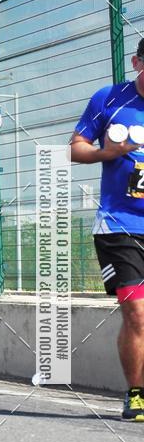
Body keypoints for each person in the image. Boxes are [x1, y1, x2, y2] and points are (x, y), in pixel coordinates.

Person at [71, 38, 144, 420]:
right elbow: (76, 147)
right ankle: (136, 394)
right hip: (120, 225)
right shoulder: (110, 99)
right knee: (137, 312)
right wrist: (106, 153)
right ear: (137, 62)